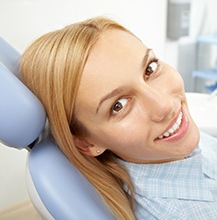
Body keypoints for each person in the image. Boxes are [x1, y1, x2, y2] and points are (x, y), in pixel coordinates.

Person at [20, 17, 217, 219]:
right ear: (86, 142)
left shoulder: (172, 150)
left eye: (150, 68)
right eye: (118, 106)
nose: (165, 106)